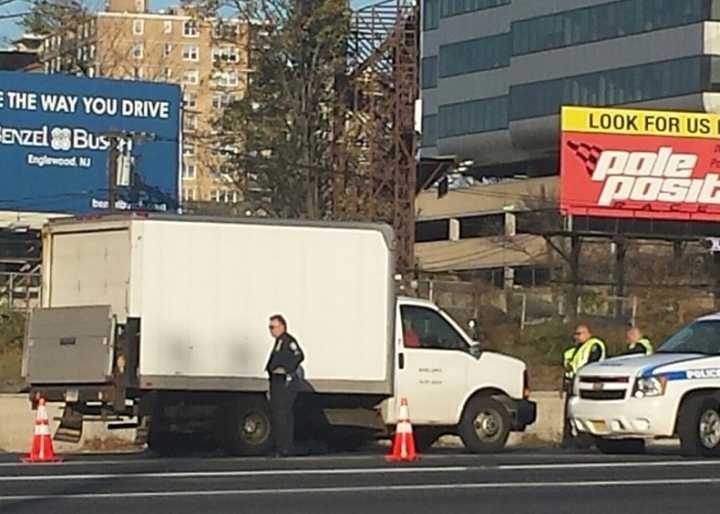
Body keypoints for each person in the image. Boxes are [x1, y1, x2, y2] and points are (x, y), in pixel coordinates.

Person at [265, 314, 304, 457]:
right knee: (276, 415)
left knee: (283, 415)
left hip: (284, 383)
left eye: (272, 327)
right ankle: (279, 446)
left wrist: (286, 369)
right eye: (269, 327)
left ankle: (286, 447)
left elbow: (299, 355)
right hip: (275, 382)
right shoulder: (278, 342)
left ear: (282, 326)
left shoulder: (288, 341)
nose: (270, 330)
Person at [561, 324, 606, 447]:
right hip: (573, 383)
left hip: (587, 383)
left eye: (580, 333)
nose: (577, 336)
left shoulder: (594, 345)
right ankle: (569, 440)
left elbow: (592, 363)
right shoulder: (573, 350)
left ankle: (587, 440)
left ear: (588, 334)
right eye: (576, 334)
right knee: (569, 414)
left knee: (586, 412)